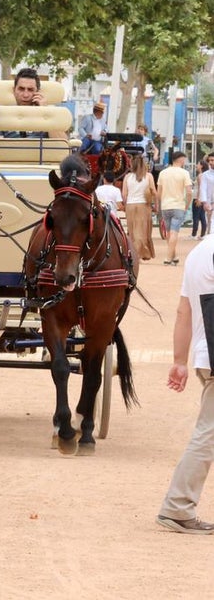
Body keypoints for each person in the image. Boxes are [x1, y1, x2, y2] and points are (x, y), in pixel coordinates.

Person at [156, 235, 214, 534]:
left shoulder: (198, 252)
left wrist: (179, 360)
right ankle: (177, 506)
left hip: (206, 354)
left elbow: (184, 311)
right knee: (208, 434)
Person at [0, 68, 67, 140]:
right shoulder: (2, 114)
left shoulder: (50, 113)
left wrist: (46, 112)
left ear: (38, 92)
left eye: (30, 90)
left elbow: (63, 144)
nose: (25, 95)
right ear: (14, 90)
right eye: (21, 89)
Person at [158, 151, 193, 265]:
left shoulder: (163, 173)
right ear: (181, 159)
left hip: (165, 206)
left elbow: (159, 192)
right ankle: (168, 258)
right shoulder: (184, 173)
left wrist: (159, 204)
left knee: (169, 232)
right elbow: (189, 192)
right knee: (174, 232)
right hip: (178, 206)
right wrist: (186, 205)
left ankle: (174, 256)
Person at [122, 154, 157, 262]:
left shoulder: (127, 177)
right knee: (143, 230)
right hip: (144, 205)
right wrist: (156, 205)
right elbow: (154, 192)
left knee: (132, 231)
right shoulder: (148, 176)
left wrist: (125, 205)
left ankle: (134, 252)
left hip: (130, 205)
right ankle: (141, 253)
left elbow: (124, 194)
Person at [198, 154, 214, 240]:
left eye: (212, 160)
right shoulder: (205, 175)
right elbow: (203, 189)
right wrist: (204, 202)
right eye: (209, 160)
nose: (210, 162)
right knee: (210, 224)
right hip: (209, 204)